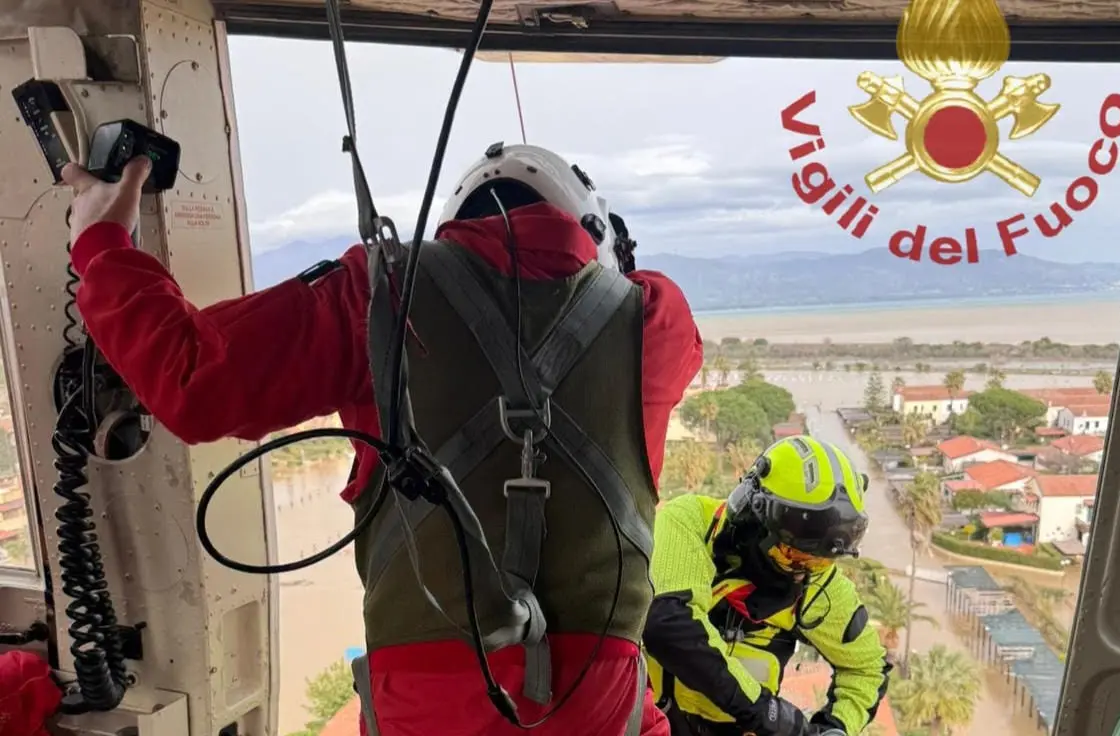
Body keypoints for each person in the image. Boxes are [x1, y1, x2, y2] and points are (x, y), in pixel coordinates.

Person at [62, 142, 703, 736]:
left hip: (430, 697)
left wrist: (101, 242)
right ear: (591, 231)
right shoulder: (655, 319)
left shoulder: (378, 292)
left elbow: (195, 383)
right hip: (595, 694)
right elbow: (618, 284)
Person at [643, 436, 889, 736]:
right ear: (756, 520)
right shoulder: (690, 522)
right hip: (653, 722)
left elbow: (868, 668)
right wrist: (770, 715)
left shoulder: (817, 581)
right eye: (794, 555)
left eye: (820, 561)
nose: (804, 572)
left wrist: (836, 727)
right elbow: (669, 623)